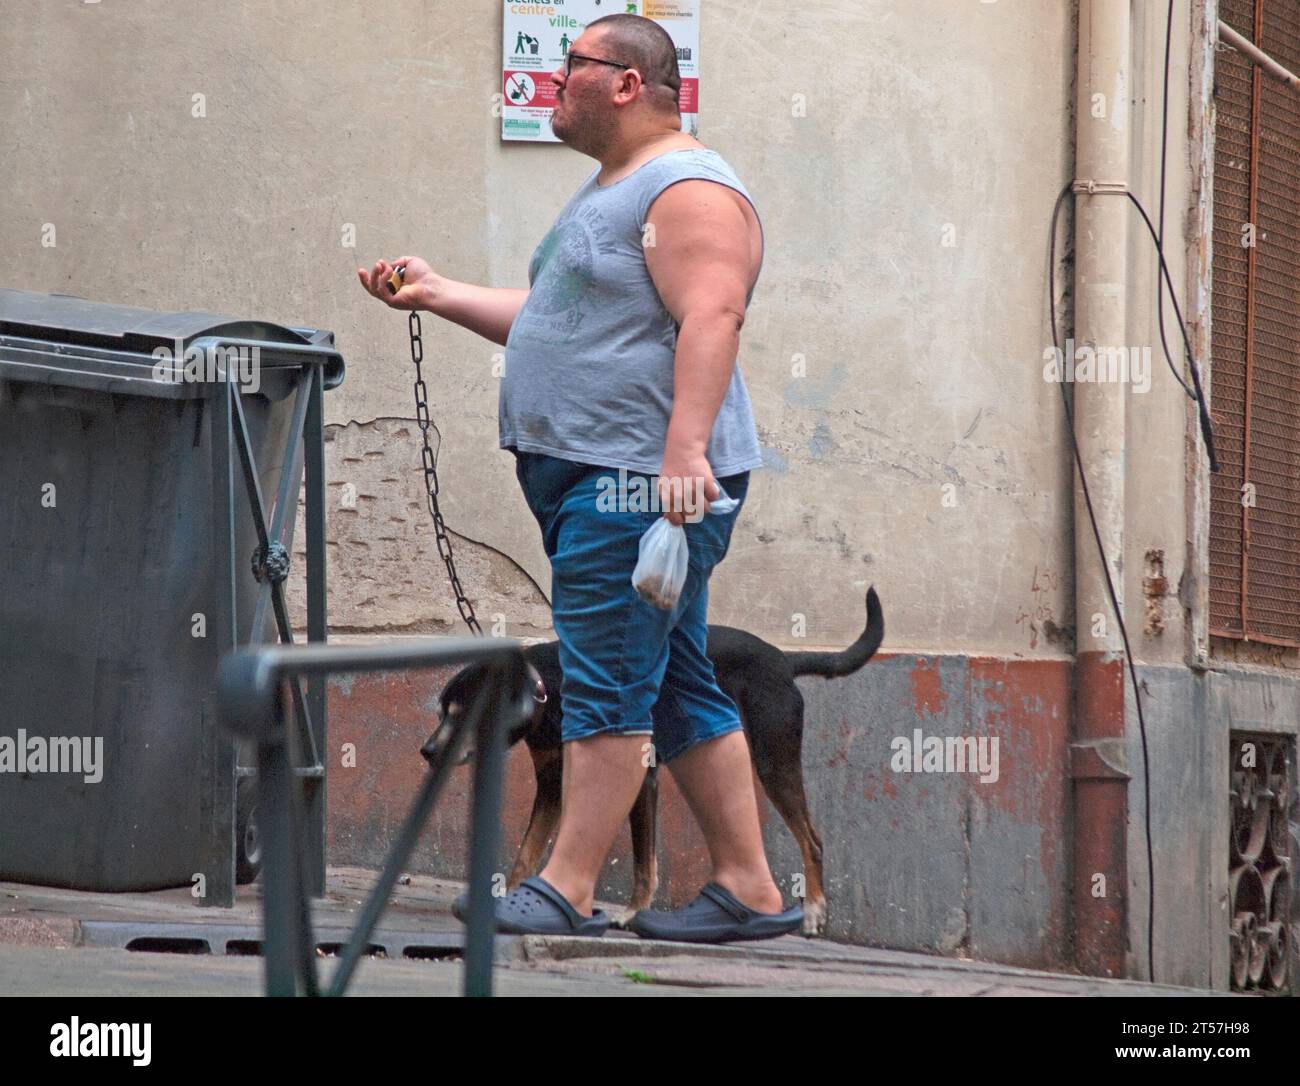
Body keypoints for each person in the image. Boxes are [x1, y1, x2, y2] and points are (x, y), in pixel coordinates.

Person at [358, 14, 801, 942]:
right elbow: (557, 322)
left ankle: (563, 888)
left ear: (628, 83)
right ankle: (751, 889)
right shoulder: (615, 191)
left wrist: (682, 453)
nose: (551, 82)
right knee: (677, 679)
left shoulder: (689, 190)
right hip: (604, 478)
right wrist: (437, 293)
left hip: (636, 481)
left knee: (604, 677)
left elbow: (713, 314)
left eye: (572, 67)